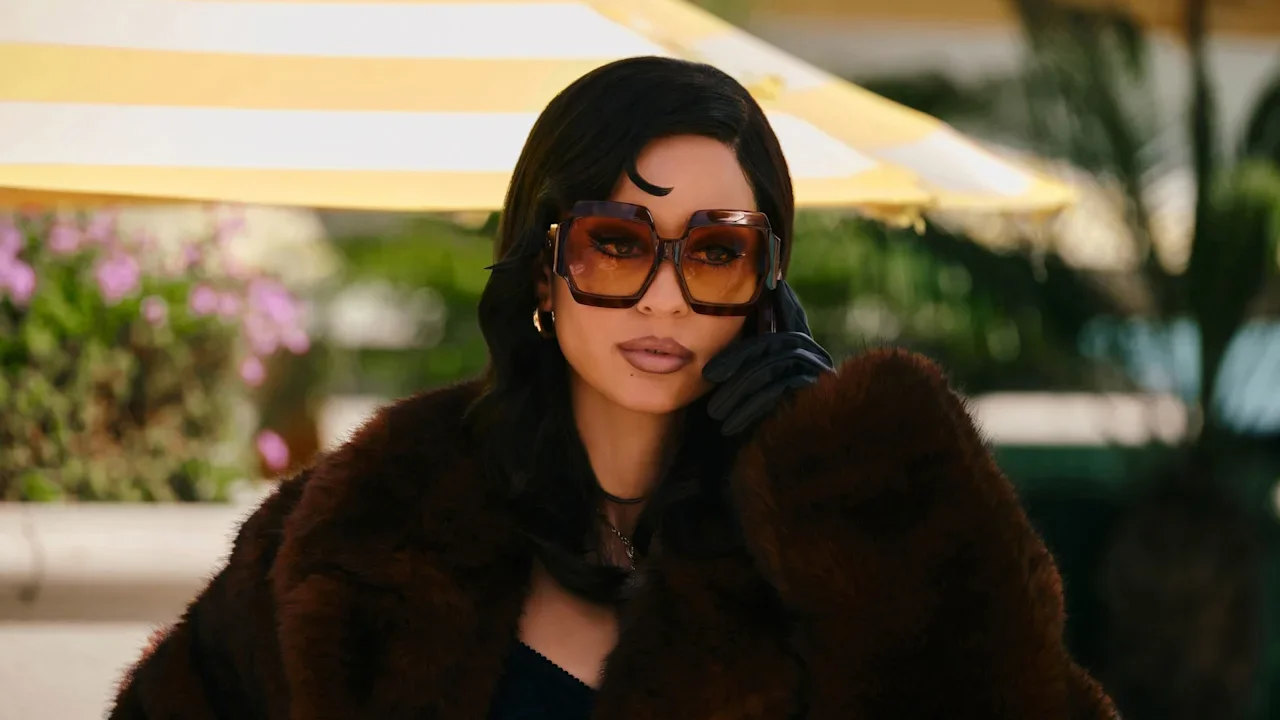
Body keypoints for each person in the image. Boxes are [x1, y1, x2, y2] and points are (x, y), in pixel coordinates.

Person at [109, 56, 1117, 719]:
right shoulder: (366, 522)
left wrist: (855, 481)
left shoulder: (838, 542)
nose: (665, 297)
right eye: (617, 243)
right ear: (543, 269)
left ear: (769, 285)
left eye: (716, 251)